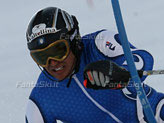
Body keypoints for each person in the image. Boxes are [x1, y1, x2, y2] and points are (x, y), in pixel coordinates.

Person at [25, 7, 164, 123]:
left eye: (58, 50)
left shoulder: (98, 44)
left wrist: (121, 73)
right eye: (41, 57)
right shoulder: (42, 96)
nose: (52, 62)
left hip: (156, 114)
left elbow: (142, 58)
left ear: (74, 40)